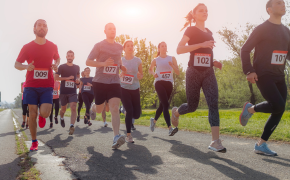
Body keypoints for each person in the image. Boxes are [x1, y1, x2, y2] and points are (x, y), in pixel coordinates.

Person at [171, 3, 226, 153]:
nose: (205, 12)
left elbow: (206, 53)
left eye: (206, 11)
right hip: (193, 71)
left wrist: (213, 62)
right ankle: (176, 112)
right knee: (192, 106)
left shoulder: (209, 31)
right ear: (194, 15)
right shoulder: (191, 30)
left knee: (213, 103)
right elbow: (179, 49)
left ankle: (215, 141)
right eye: (201, 11)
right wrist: (201, 44)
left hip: (208, 71)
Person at [240, 0, 290, 156]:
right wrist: (249, 71)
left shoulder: (286, 31)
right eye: (278, 3)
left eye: (284, 3)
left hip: (279, 75)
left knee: (279, 109)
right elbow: (245, 49)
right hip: (263, 74)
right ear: (269, 9)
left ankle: (261, 144)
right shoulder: (261, 29)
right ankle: (250, 109)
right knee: (279, 105)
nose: (283, 5)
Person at [15, 19, 60, 151]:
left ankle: (43, 115)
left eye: (44, 26)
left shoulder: (53, 46)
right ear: (34, 29)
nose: (42, 27)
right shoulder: (27, 47)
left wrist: (56, 64)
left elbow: (57, 57)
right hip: (31, 86)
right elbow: (16, 64)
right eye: (39, 25)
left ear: (47, 30)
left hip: (47, 85)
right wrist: (26, 66)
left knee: (45, 113)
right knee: (32, 114)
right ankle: (34, 141)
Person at [86, 22, 127, 149]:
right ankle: (92, 108)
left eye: (114, 28)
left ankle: (116, 137)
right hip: (100, 81)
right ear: (105, 31)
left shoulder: (120, 46)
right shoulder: (99, 45)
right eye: (110, 29)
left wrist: (121, 66)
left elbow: (118, 60)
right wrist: (103, 63)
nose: (113, 30)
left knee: (115, 107)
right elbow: (88, 61)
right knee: (99, 109)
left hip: (114, 82)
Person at [149, 42, 180, 136]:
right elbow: (150, 69)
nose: (164, 47)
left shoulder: (172, 58)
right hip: (159, 82)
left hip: (169, 83)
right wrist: (153, 74)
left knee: (162, 105)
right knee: (166, 104)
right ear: (159, 48)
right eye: (162, 46)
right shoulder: (156, 60)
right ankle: (170, 128)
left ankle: (153, 121)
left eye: (165, 46)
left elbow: (177, 72)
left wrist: (172, 65)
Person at [120, 40, 143, 143]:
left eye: (132, 46)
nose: (130, 47)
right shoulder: (120, 60)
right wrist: (120, 75)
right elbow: (116, 74)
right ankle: (128, 135)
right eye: (128, 46)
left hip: (135, 88)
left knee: (137, 114)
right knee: (129, 110)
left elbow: (141, 74)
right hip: (123, 88)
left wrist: (140, 76)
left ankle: (122, 110)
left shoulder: (138, 60)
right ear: (124, 48)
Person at [55, 50, 80, 135]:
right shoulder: (62, 67)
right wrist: (67, 78)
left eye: (71, 56)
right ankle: (61, 117)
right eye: (68, 56)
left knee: (73, 107)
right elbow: (55, 77)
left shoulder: (77, 67)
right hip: (63, 92)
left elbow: (78, 78)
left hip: (73, 91)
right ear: (66, 57)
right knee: (63, 109)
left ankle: (72, 126)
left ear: (73, 57)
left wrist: (77, 81)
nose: (70, 57)